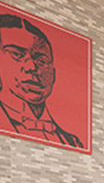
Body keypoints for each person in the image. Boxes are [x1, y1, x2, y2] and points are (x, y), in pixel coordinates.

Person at [0, 14, 83, 148]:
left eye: (42, 61)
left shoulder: (72, 142)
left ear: (53, 75)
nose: (32, 68)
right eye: (17, 54)